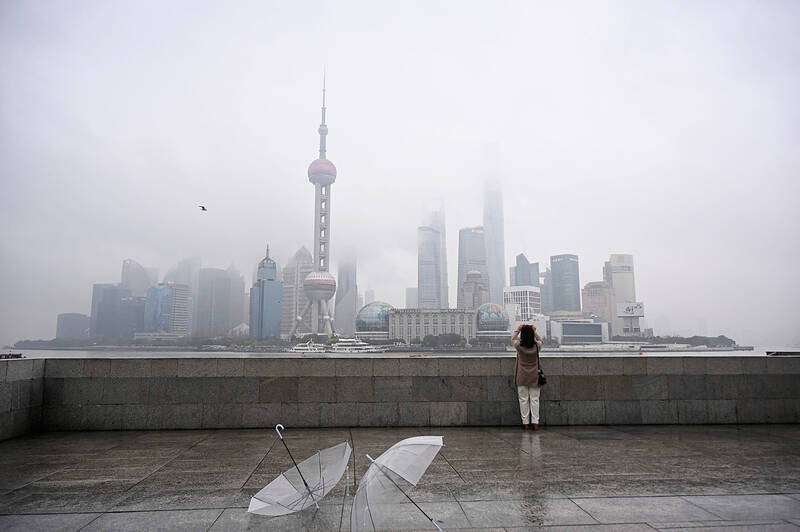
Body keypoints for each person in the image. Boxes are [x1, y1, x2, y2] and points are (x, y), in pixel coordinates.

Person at [512, 324, 543, 430]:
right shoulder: (537, 346)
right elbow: (540, 340)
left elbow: (513, 339)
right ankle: (535, 423)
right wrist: (534, 331)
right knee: (535, 400)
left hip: (522, 376)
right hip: (535, 376)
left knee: (523, 400)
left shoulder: (519, 346)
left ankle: (525, 423)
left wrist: (518, 330)